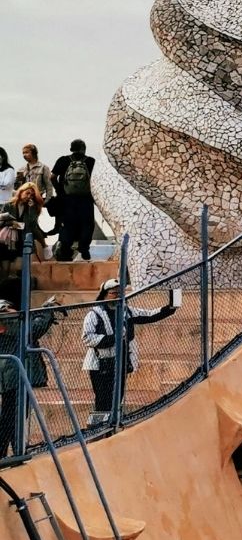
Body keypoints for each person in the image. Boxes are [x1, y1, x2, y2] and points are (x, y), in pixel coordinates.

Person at [81, 279, 179, 427]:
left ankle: (111, 426)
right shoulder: (94, 314)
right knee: (102, 400)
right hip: (100, 364)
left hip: (119, 362)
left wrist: (172, 305)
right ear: (105, 295)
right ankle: (94, 428)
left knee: (117, 397)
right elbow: (87, 337)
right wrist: (113, 339)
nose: (117, 296)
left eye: (120, 293)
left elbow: (149, 315)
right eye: (113, 293)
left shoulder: (127, 311)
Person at [0, 297, 60, 457]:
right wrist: (47, 312)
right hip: (14, 375)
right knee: (12, 416)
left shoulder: (12, 321)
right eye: (9, 309)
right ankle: (12, 451)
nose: (14, 311)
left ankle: (14, 450)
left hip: (15, 374)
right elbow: (32, 329)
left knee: (14, 415)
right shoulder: (7, 321)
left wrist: (44, 310)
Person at [49, 139, 96, 261]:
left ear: (71, 149)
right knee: (88, 224)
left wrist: (59, 190)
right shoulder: (91, 161)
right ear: (84, 149)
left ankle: (65, 249)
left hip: (67, 200)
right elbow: (97, 181)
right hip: (86, 200)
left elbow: (52, 177)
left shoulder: (63, 160)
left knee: (67, 225)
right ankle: (84, 247)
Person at [14, 145, 53, 213]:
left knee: (32, 220)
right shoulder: (22, 169)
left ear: (34, 153)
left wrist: (46, 201)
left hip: (36, 199)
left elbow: (49, 186)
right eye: (23, 153)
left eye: (26, 152)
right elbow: (17, 187)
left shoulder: (43, 168)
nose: (24, 155)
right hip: (23, 199)